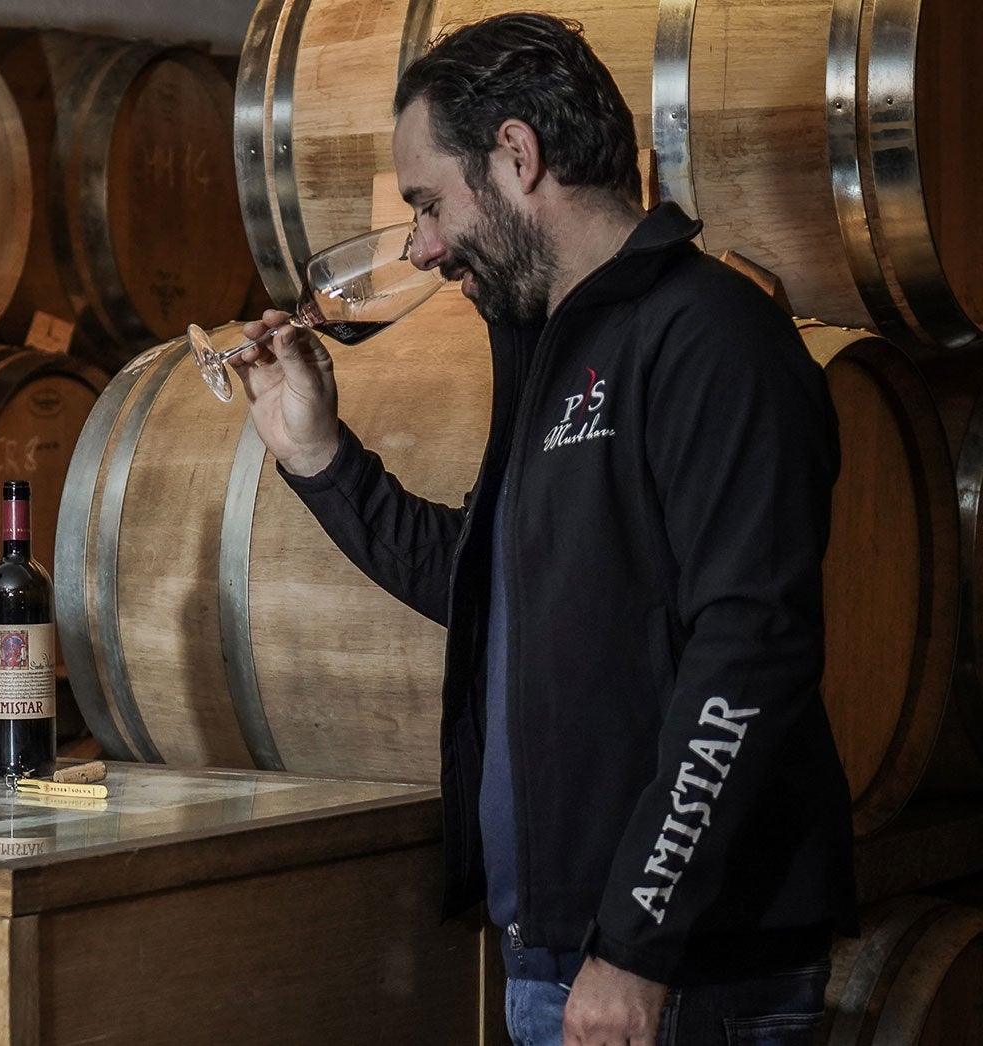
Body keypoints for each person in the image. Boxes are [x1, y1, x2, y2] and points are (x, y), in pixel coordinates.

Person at [233, 14, 854, 1046]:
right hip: (566, 952)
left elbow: (751, 652)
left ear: (516, 156)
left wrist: (637, 943)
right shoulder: (550, 345)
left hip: (685, 972)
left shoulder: (707, 336)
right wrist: (317, 457)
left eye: (429, 203)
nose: (423, 247)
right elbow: (484, 584)